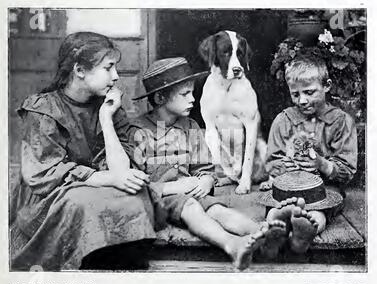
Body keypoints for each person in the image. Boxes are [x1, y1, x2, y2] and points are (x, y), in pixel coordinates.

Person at [123, 57, 291, 270]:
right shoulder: (137, 132)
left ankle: (262, 231)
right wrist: (170, 187)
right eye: (185, 94)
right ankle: (232, 244)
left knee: (217, 209)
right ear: (159, 97)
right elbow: (130, 182)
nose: (193, 99)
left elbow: (205, 168)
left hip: (191, 193)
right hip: (157, 203)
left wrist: (206, 180)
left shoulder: (190, 126)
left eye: (192, 92)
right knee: (191, 206)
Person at [10, 32, 156, 271]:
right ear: (79, 71)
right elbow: (44, 175)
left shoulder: (108, 106)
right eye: (108, 68)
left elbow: (122, 172)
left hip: (93, 186)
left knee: (136, 193)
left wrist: (106, 119)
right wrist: (109, 178)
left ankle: (117, 268)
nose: (116, 76)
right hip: (50, 195)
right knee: (82, 202)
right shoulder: (43, 109)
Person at [259, 53, 357, 254]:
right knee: (276, 208)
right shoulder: (282, 120)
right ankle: (275, 227)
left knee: (318, 213)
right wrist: (287, 166)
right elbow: (272, 161)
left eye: (310, 92)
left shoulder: (342, 122)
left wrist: (322, 164)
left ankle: (304, 234)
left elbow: (347, 169)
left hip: (325, 192)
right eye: (295, 94)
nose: (302, 100)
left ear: (327, 86)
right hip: (286, 191)